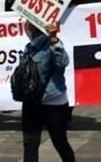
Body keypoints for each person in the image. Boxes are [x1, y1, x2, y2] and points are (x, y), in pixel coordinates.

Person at [21, 21, 75, 162]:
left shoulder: (52, 44)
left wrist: (54, 39)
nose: (24, 27)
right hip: (32, 101)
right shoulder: (29, 47)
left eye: (27, 24)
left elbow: (63, 62)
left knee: (60, 142)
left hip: (54, 103)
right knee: (30, 145)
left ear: (32, 28)